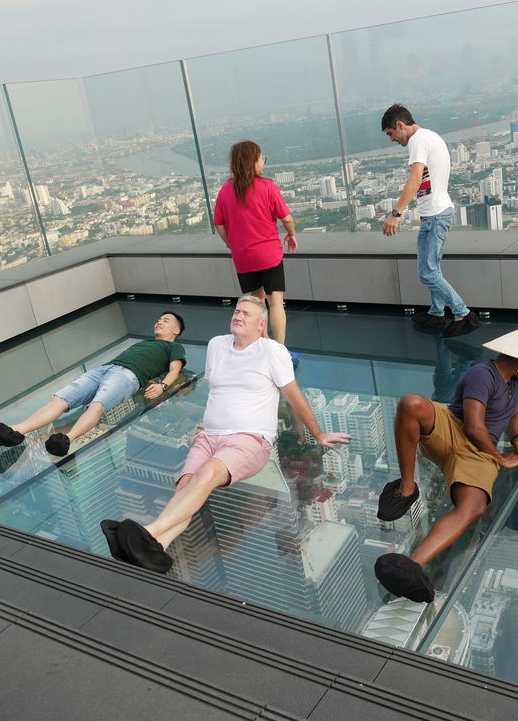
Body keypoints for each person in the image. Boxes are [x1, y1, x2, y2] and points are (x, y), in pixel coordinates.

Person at [101, 295, 351, 573]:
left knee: (206, 474)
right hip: (209, 436)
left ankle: (147, 533)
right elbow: (218, 391)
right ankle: (156, 550)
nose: (238, 316)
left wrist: (317, 434)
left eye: (245, 314)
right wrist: (207, 421)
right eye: (236, 312)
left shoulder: (271, 351)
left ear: (261, 324)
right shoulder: (216, 345)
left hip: (250, 440)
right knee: (186, 489)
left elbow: (294, 397)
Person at [374, 326, 518, 602]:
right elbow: (472, 425)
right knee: (410, 403)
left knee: (474, 507)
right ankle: (407, 488)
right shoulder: (483, 374)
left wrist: (517, 437)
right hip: (455, 429)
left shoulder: (514, 383)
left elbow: (513, 413)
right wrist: (500, 457)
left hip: (478, 455)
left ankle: (410, 566)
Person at [0, 312, 186, 457]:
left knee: (97, 406)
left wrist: (163, 386)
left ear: (176, 330)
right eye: (158, 320)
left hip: (128, 376)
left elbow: (175, 370)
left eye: (165, 321)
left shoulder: (173, 348)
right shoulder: (145, 343)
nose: (159, 322)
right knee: (60, 399)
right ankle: (15, 431)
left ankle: (66, 440)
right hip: (105, 369)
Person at [381, 104, 481, 338]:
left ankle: (463, 314)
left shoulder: (417, 140)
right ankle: (436, 313)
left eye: (390, 134)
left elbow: (415, 179)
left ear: (400, 125)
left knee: (427, 273)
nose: (392, 139)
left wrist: (395, 214)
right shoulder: (428, 136)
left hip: (436, 215)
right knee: (432, 269)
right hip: (436, 214)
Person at [214, 140, 298, 362]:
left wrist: (232, 244)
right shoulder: (267, 186)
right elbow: (287, 218)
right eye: (262, 159)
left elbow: (219, 225)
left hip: (243, 257)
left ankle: (262, 347)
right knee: (276, 302)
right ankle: (279, 352)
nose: (263, 163)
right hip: (268, 255)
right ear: (253, 161)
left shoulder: (225, 190)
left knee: (257, 304)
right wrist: (291, 234)